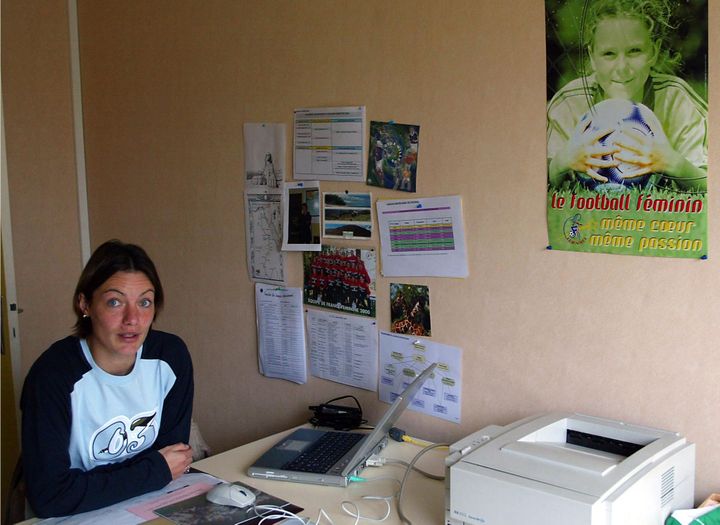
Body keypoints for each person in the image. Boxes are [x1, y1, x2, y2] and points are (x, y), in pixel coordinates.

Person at [21, 240, 194, 517]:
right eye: (115, 302)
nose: (132, 319)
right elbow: (49, 495)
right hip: (74, 517)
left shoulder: (171, 357)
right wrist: (153, 471)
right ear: (85, 304)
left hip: (149, 504)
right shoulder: (53, 375)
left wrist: (93, 482)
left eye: (144, 302)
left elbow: (174, 459)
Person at [547, 0, 707, 192]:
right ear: (592, 57)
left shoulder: (677, 100)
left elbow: (709, 184)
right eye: (609, 54)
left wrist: (675, 164)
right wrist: (560, 163)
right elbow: (533, 181)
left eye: (634, 51)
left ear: (653, 52)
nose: (622, 68)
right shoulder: (570, 103)